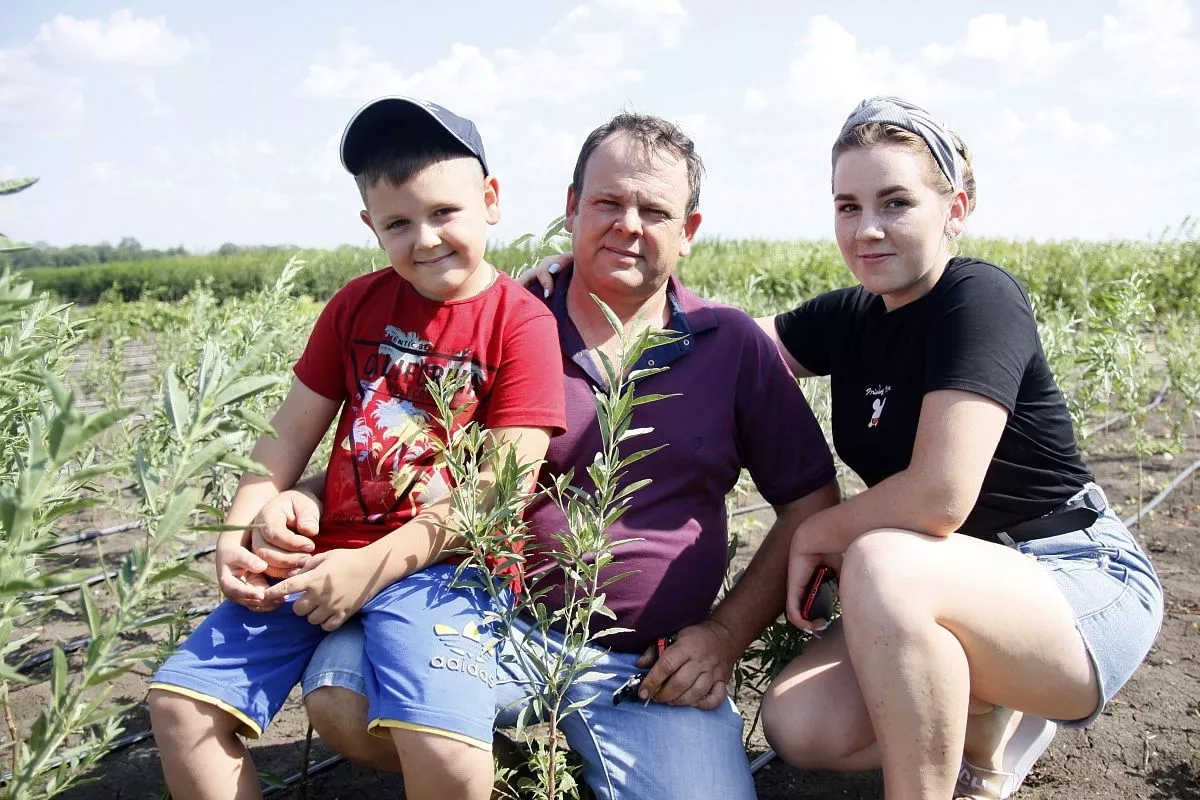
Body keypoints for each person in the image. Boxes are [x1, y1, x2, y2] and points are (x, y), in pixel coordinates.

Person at [250, 112, 841, 800]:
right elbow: (388, 456)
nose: (627, 223)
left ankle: (572, 758)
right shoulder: (497, 320)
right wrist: (307, 496)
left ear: (689, 232)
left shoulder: (732, 344)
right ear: (570, 208)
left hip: (649, 670)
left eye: (654, 210)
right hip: (480, 626)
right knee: (343, 699)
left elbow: (811, 503)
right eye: (606, 202)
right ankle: (500, 772)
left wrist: (722, 636)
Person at [147, 96, 567, 800]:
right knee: (180, 706)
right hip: (323, 557)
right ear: (371, 226)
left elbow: (498, 495)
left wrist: (368, 569)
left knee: (445, 749)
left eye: (444, 213)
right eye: (399, 223)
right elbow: (285, 435)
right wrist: (241, 526)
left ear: (490, 201)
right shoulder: (355, 306)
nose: (425, 239)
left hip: (446, 567)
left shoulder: (520, 323)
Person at [750, 97, 1164, 800]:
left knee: (881, 559)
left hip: (1075, 579)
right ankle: (985, 721)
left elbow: (940, 497)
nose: (867, 229)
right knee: (802, 726)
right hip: (949, 585)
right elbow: (720, 341)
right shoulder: (851, 317)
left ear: (956, 207)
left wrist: (819, 530)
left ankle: (947, 780)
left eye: (895, 202)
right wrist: (583, 283)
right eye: (847, 206)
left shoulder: (978, 298)